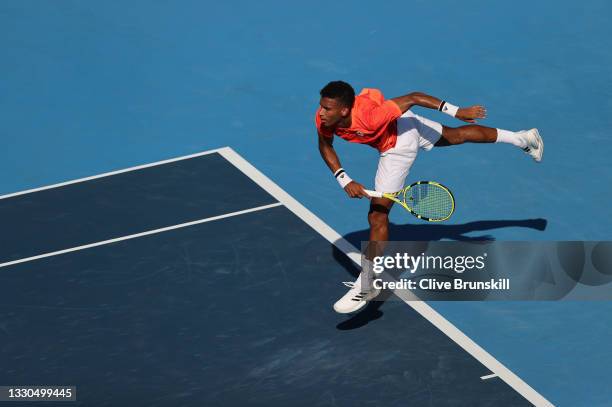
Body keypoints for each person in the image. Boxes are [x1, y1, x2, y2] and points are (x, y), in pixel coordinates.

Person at [315, 81, 543, 314]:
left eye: (327, 109)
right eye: (322, 106)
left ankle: (367, 283)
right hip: (406, 122)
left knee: (377, 216)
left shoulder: (371, 117)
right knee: (456, 136)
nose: (321, 112)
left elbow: (413, 96)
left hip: (397, 144)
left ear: (344, 110)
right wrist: (344, 179)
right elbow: (325, 144)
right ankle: (523, 139)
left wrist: (457, 111)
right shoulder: (325, 118)